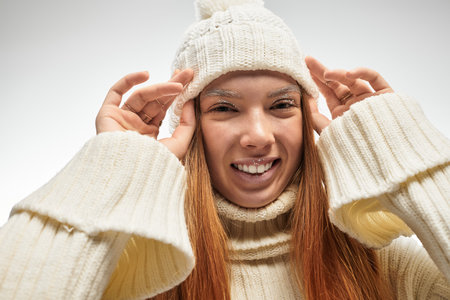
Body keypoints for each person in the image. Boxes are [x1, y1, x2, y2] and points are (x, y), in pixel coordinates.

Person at [1, 0, 449, 299]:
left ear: (307, 116)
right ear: (189, 125)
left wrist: (399, 147)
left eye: (281, 105)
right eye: (225, 108)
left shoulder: (376, 261)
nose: (257, 135)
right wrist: (114, 167)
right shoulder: (133, 269)